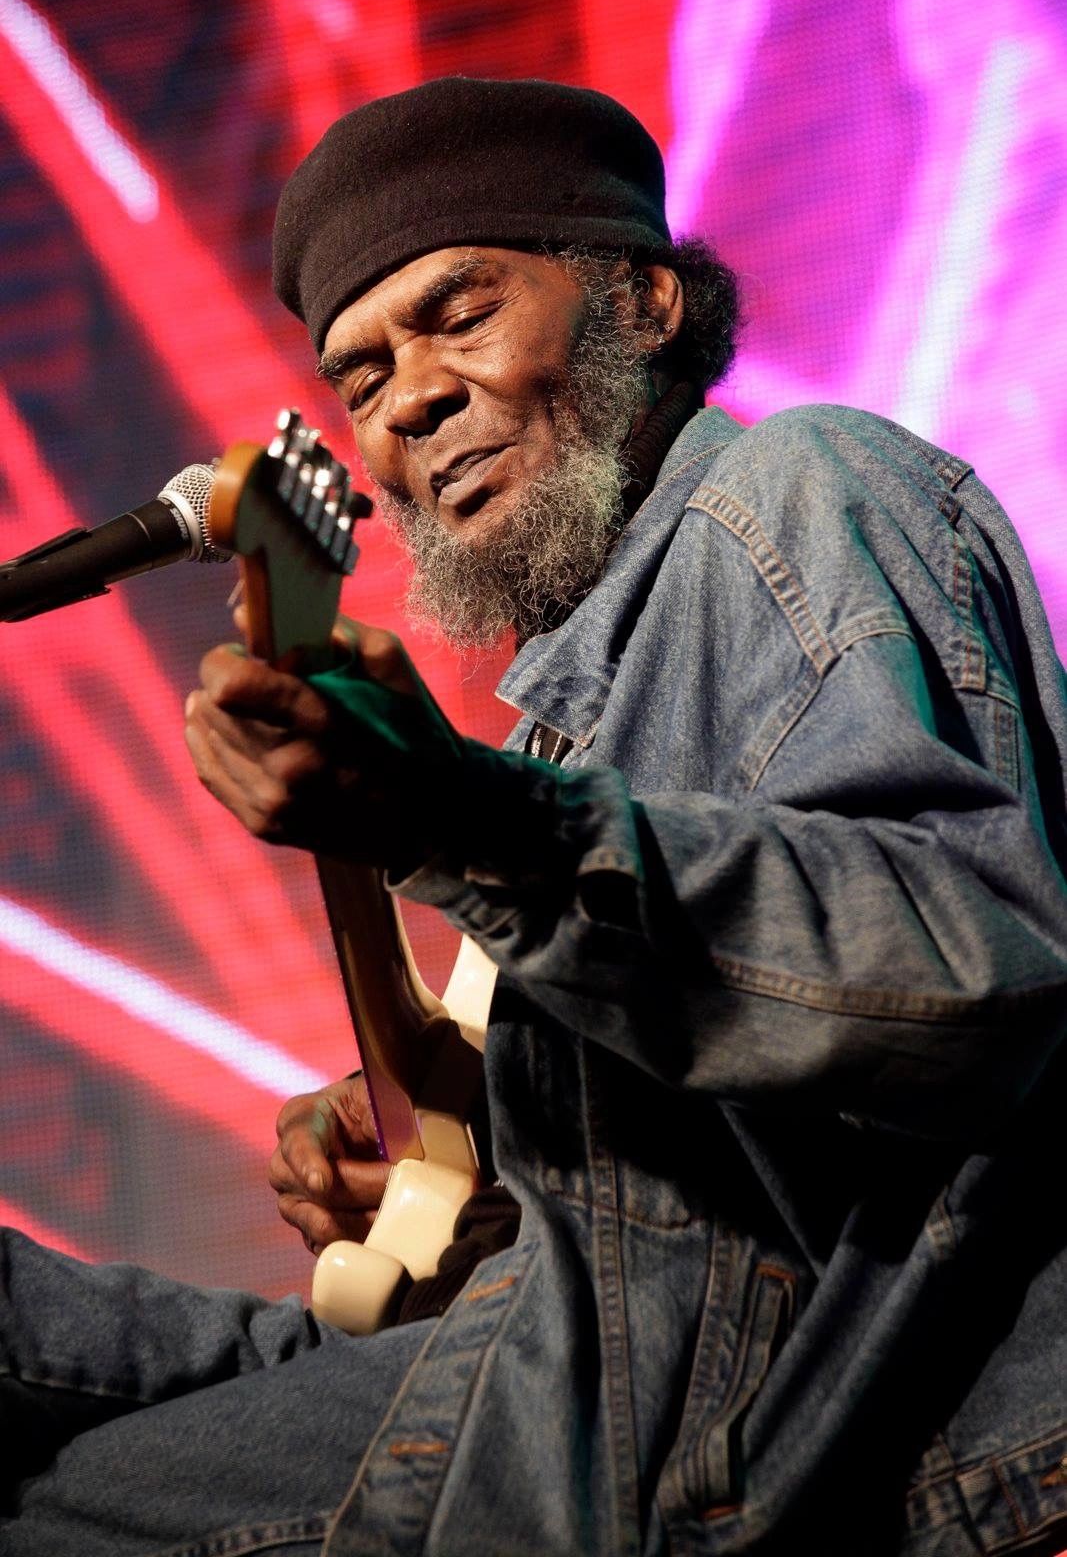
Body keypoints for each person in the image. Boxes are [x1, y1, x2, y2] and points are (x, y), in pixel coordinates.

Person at [2, 76, 1066, 1557]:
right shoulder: (576, 723)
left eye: (459, 314)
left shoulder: (790, 488)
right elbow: (673, 1213)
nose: (410, 398)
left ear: (645, 302)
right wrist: (487, 1158)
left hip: (800, 1455)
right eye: (362, 377)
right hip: (594, 1403)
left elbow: (978, 963)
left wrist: (471, 820)